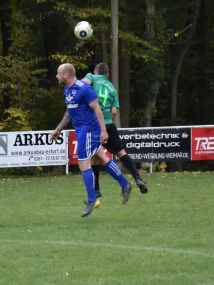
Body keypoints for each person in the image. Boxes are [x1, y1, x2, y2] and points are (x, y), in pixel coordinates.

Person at [52, 62, 148, 198]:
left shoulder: (91, 77)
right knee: (119, 153)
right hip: (108, 122)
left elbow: (81, 84)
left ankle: (96, 190)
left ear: (95, 71)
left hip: (92, 124)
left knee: (92, 159)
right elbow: (114, 111)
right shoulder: (112, 88)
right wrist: (107, 126)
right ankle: (137, 178)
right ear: (107, 74)